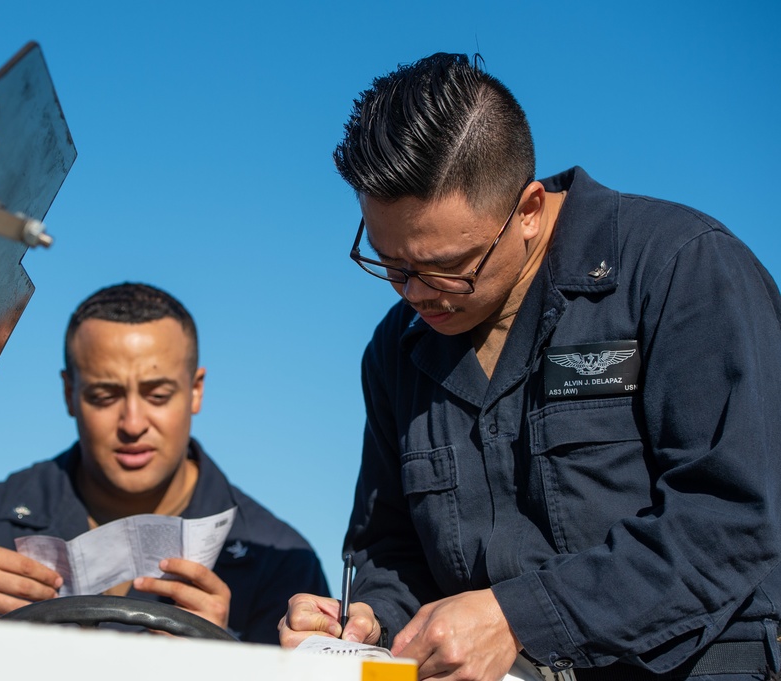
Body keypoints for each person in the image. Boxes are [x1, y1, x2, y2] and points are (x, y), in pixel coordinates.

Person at [279, 53, 781, 681]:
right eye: (390, 264)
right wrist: (366, 619)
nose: (415, 293)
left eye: (444, 267)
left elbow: (731, 522)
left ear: (529, 210)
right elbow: (390, 549)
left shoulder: (682, 271)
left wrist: (520, 618)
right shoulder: (395, 349)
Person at [0, 282, 329, 644]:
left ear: (196, 391)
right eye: (104, 395)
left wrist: (225, 661)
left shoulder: (281, 565)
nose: (132, 423)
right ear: (69, 393)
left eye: (157, 394)